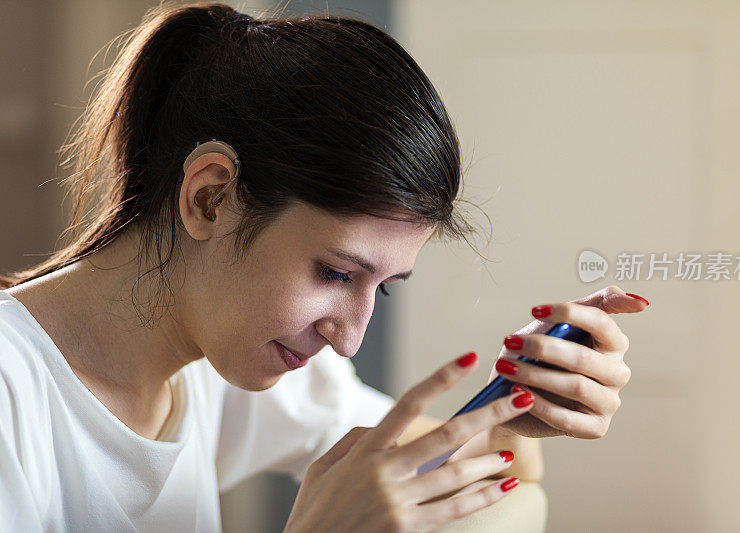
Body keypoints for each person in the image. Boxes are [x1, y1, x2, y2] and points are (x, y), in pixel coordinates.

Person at [0, 3, 647, 531]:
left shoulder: (219, 363)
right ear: (211, 197)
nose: (351, 335)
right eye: (336, 274)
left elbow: (494, 464)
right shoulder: (13, 394)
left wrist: (522, 406)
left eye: (382, 289)